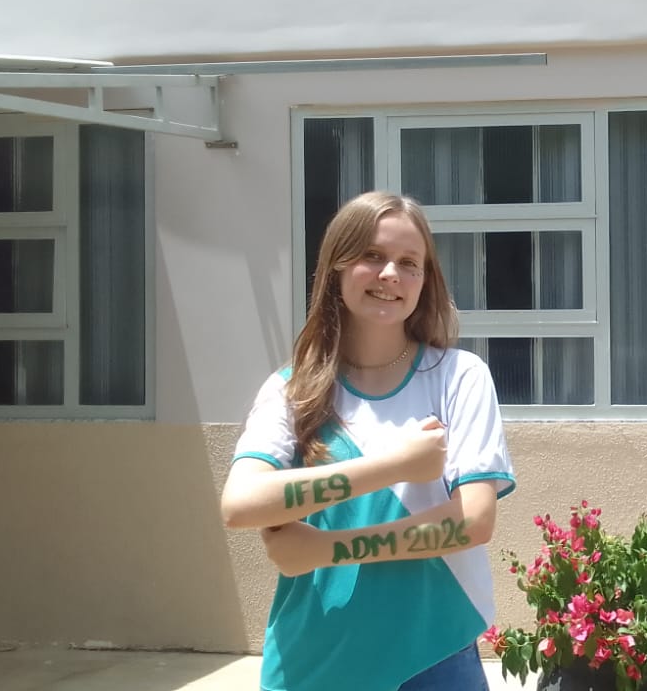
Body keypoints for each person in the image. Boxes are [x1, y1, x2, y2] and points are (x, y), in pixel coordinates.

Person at [220, 191, 515, 691]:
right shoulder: (292, 390)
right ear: (336, 267)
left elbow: (473, 520)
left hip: (434, 656)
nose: (390, 274)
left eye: (409, 262)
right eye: (372, 256)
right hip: (314, 661)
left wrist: (325, 549)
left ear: (425, 280)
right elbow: (240, 504)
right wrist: (393, 465)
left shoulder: (458, 376)